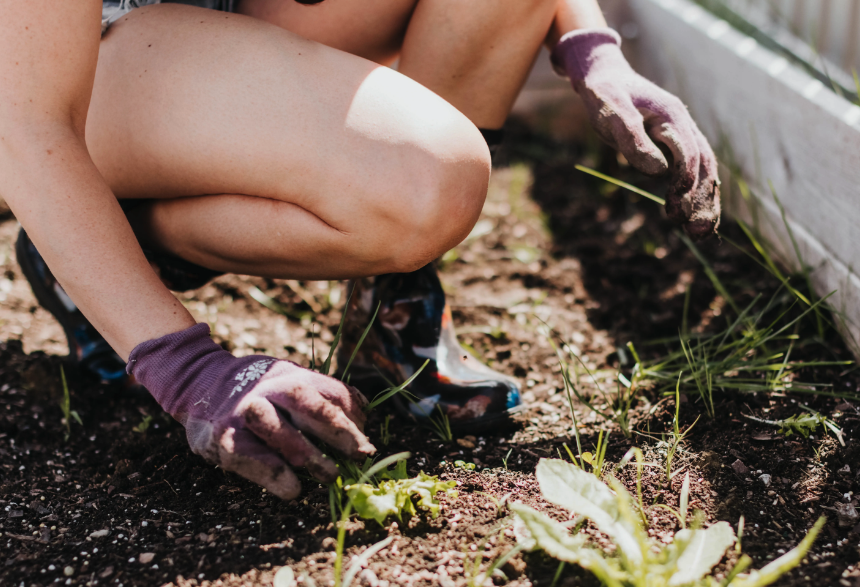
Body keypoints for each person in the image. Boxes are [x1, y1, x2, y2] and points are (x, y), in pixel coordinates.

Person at [3, 0, 720, 499]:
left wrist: (590, 50)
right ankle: (98, 246)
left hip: (221, 13)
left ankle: (393, 312)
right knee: (426, 179)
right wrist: (187, 369)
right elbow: (26, 121)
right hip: (78, 60)